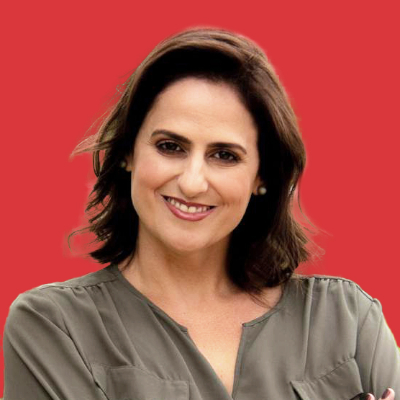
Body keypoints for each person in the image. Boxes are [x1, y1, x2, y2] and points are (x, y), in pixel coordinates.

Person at [3, 28, 399, 400]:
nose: (192, 183)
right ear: (127, 152)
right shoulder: (53, 326)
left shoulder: (348, 321)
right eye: (170, 146)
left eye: (224, 155)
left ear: (261, 176)